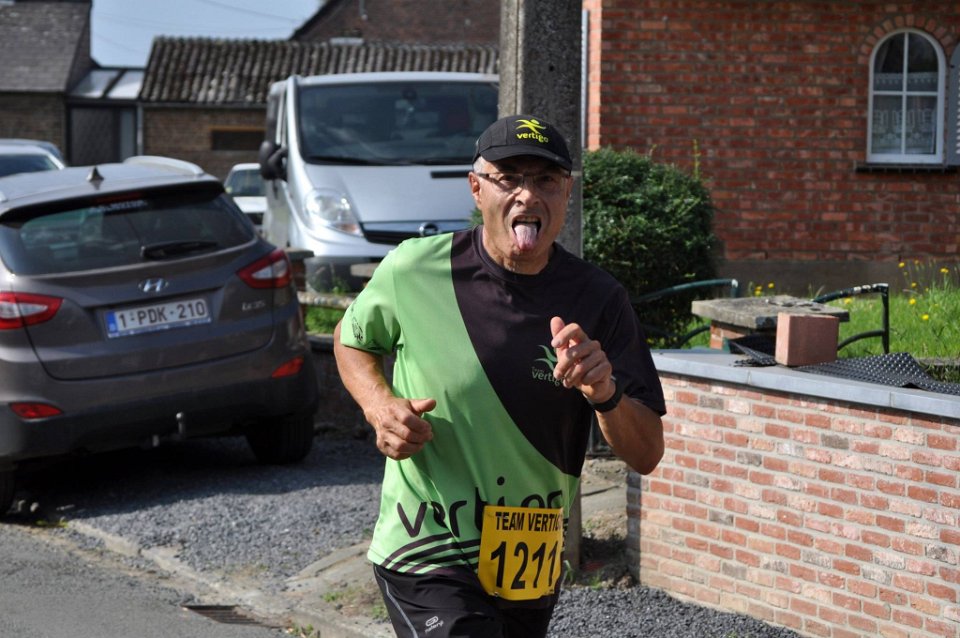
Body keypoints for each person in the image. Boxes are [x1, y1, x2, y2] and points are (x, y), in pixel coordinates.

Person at [333, 114, 666, 638]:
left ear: (567, 192)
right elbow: (351, 338)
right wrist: (379, 406)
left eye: (546, 181)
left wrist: (605, 394)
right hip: (426, 546)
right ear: (476, 188)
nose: (527, 195)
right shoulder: (415, 269)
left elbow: (646, 454)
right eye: (509, 179)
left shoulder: (600, 299)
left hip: (529, 558)